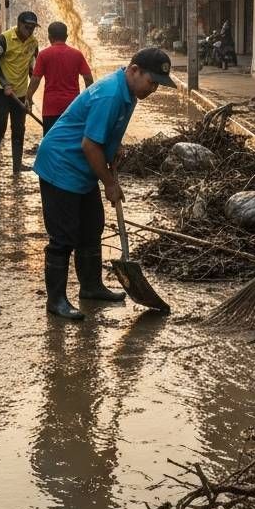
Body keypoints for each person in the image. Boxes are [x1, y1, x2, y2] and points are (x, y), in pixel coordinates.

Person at [33, 47, 176, 319]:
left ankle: (91, 286)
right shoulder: (111, 93)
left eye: (158, 84)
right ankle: (56, 301)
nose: (153, 89)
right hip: (62, 165)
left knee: (91, 226)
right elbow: (89, 145)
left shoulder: (130, 92)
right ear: (134, 70)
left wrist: (115, 146)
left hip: (84, 168)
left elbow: (104, 131)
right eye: (152, 81)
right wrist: (110, 184)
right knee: (63, 237)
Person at [0, 10, 40, 174]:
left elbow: (33, 69)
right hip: (1, 90)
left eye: (32, 28)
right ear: (19, 24)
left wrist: (30, 95)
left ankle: (17, 166)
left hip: (20, 91)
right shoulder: (4, 38)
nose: (29, 31)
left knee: (19, 128)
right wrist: (4, 84)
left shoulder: (33, 42)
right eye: (27, 27)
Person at [25, 21, 93, 134]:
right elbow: (88, 79)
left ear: (49, 37)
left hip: (50, 109)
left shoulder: (44, 55)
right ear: (66, 37)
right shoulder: (77, 54)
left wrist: (28, 97)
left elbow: (35, 80)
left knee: (51, 142)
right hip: (73, 107)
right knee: (71, 140)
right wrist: (88, 101)